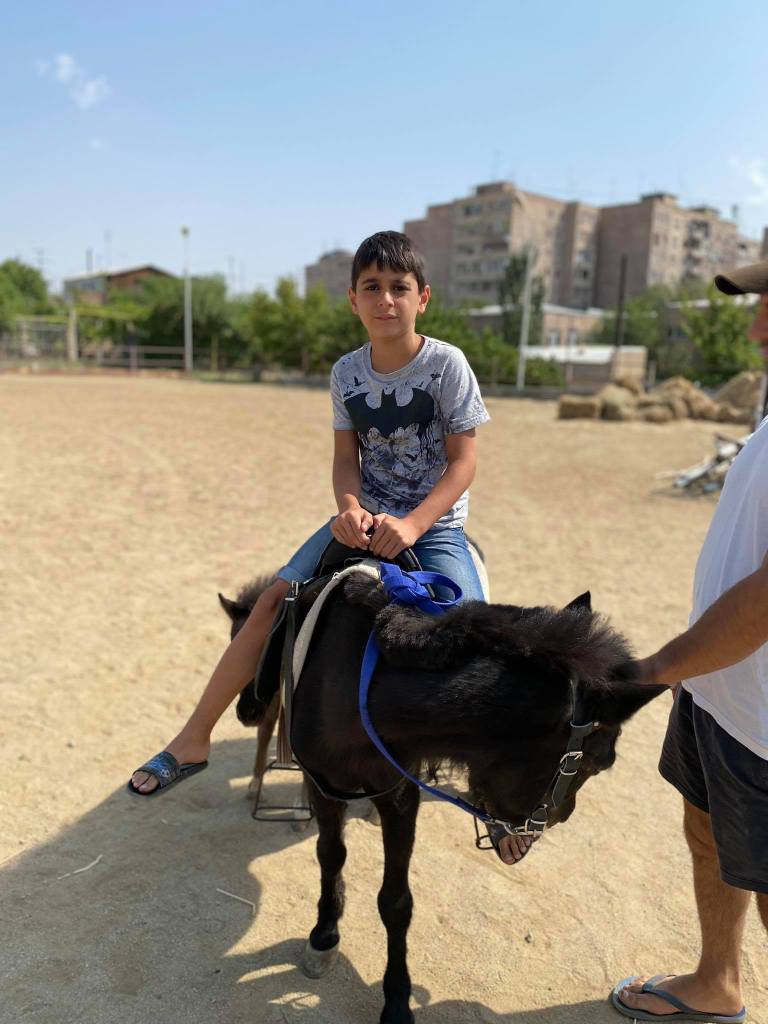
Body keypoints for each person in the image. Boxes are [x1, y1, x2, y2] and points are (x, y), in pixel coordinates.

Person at [129, 230, 490, 796]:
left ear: (422, 298)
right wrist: (349, 509)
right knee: (272, 600)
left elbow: (463, 463)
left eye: (399, 288)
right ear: (353, 300)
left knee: (473, 631)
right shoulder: (347, 372)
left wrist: (414, 524)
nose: (385, 299)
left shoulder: (447, 365)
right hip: (364, 518)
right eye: (371, 287)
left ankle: (485, 778)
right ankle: (193, 738)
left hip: (432, 525)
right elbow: (346, 459)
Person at [611, 259, 768, 1023]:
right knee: (705, 833)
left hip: (763, 718)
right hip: (721, 691)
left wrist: (656, 668)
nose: (758, 330)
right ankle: (717, 980)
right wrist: (692, 674)